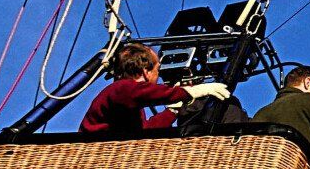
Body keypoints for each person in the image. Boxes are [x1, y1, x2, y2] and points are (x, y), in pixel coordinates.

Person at [80, 42, 228, 137]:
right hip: (95, 151)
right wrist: (189, 92)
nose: (159, 76)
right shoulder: (121, 89)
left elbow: (144, 131)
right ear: (146, 71)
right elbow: (147, 92)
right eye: (157, 69)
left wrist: (172, 111)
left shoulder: (128, 100)